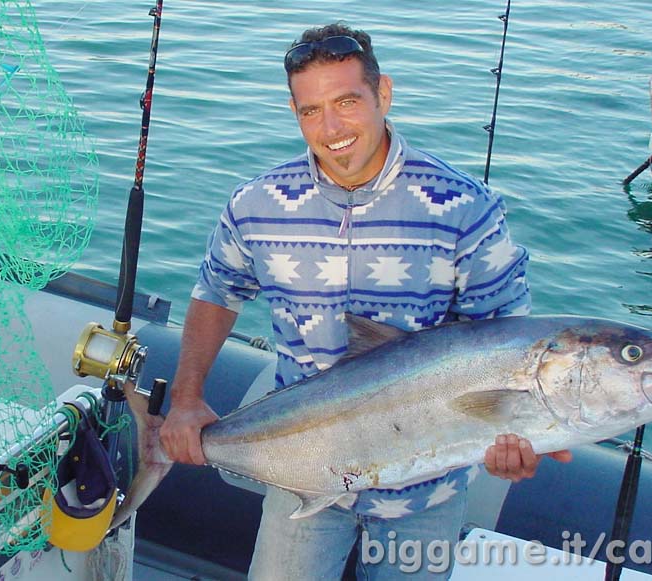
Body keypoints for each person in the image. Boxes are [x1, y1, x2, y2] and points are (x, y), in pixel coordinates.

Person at [160, 22, 572, 579]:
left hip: (426, 492)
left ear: (384, 93)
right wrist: (186, 399)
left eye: (347, 102)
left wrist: (515, 436)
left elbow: (506, 345)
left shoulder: (463, 208)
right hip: (300, 468)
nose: (331, 128)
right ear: (294, 112)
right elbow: (217, 291)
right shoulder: (257, 205)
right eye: (311, 110)